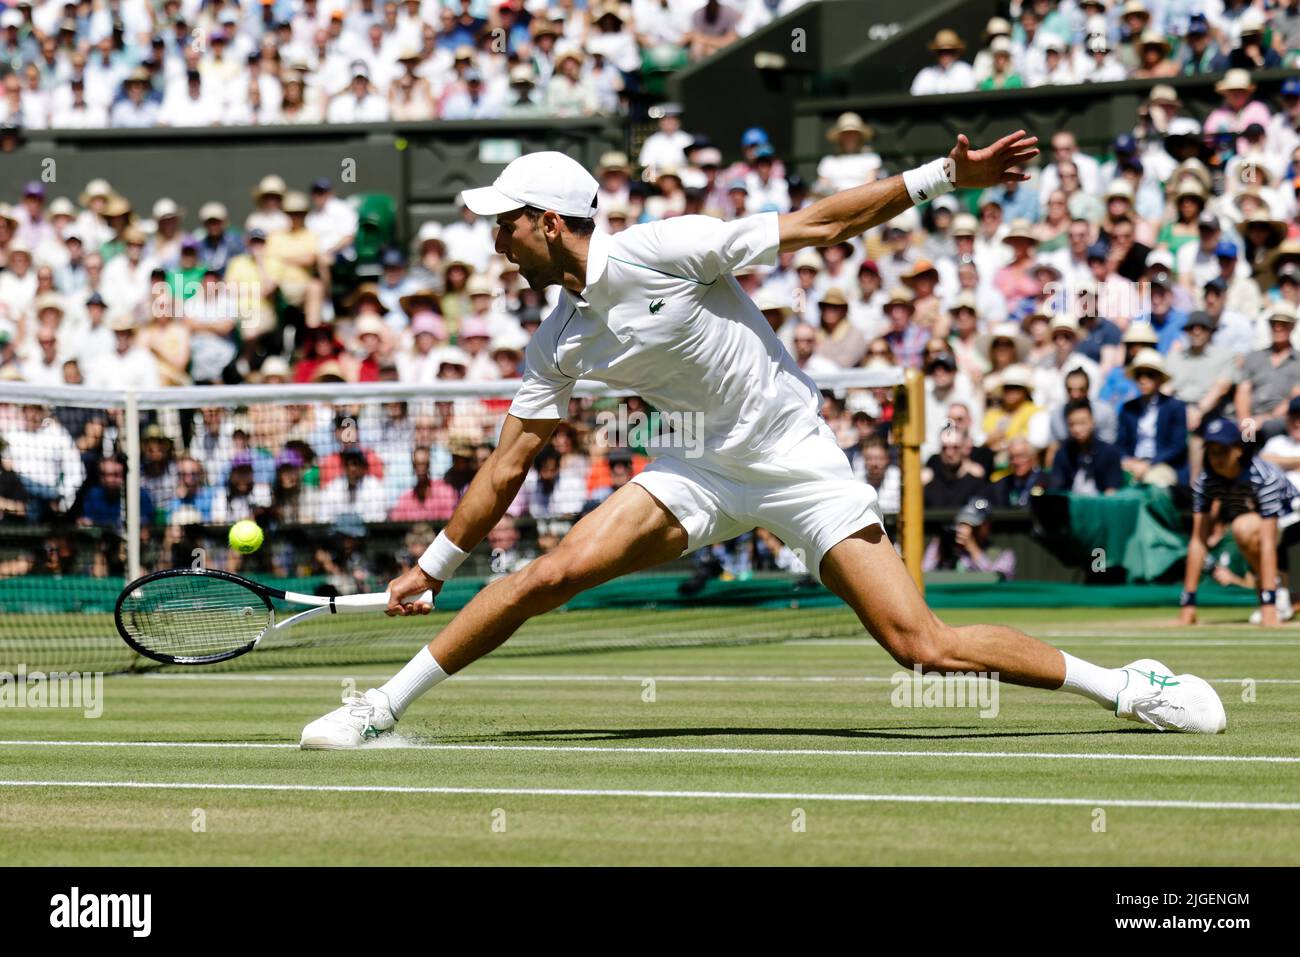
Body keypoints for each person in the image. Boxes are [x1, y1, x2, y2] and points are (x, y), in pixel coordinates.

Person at [301, 141, 1228, 749]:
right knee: (544, 576)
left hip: (797, 461)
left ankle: (1130, 687)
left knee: (923, 648)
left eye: (503, 220)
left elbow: (823, 223)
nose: (492, 238)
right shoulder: (558, 339)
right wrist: (430, 563)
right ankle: (381, 709)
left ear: (548, 222)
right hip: (698, 468)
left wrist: (945, 179)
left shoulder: (665, 246)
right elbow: (507, 465)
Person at [1181, 418, 1296, 627]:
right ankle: (1277, 593)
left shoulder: (1264, 477)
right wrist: (1188, 604)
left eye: (1222, 450)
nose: (1217, 458)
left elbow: (1268, 542)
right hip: (1262, 528)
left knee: (1243, 527)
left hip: (1293, 528)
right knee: (1244, 527)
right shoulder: (1205, 483)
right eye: (1211, 450)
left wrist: (1268, 606)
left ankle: (1274, 596)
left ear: (1238, 450)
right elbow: (1198, 541)